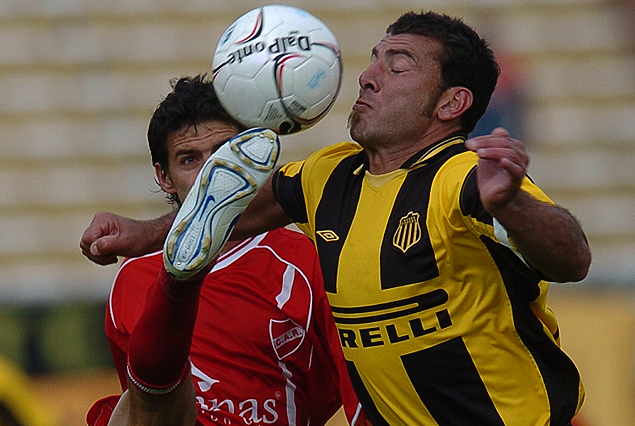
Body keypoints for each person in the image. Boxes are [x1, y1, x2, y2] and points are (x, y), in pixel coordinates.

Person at [81, 11, 592, 426]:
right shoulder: (331, 174)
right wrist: (144, 234)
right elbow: (225, 216)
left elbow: (572, 258)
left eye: (398, 65)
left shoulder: (463, 179)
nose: (367, 75)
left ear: (450, 103)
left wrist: (513, 205)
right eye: (374, 59)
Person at [83, 75, 362, 426]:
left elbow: (356, 389)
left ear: (254, 157)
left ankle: (181, 277)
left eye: (224, 153)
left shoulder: (305, 261)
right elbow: (150, 411)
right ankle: (181, 279)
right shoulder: (133, 278)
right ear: (164, 176)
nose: (210, 174)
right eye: (189, 159)